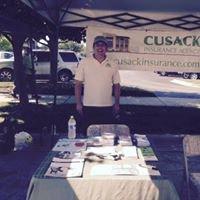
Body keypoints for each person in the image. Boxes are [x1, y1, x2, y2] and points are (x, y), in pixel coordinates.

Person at [75, 35, 121, 136]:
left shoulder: (113, 64)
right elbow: (78, 84)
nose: (100, 47)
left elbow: (117, 85)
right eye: (97, 45)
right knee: (88, 135)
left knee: (106, 136)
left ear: (106, 48)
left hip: (107, 107)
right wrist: (78, 103)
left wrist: (117, 104)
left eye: (103, 45)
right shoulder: (84, 62)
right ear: (93, 47)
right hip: (88, 106)